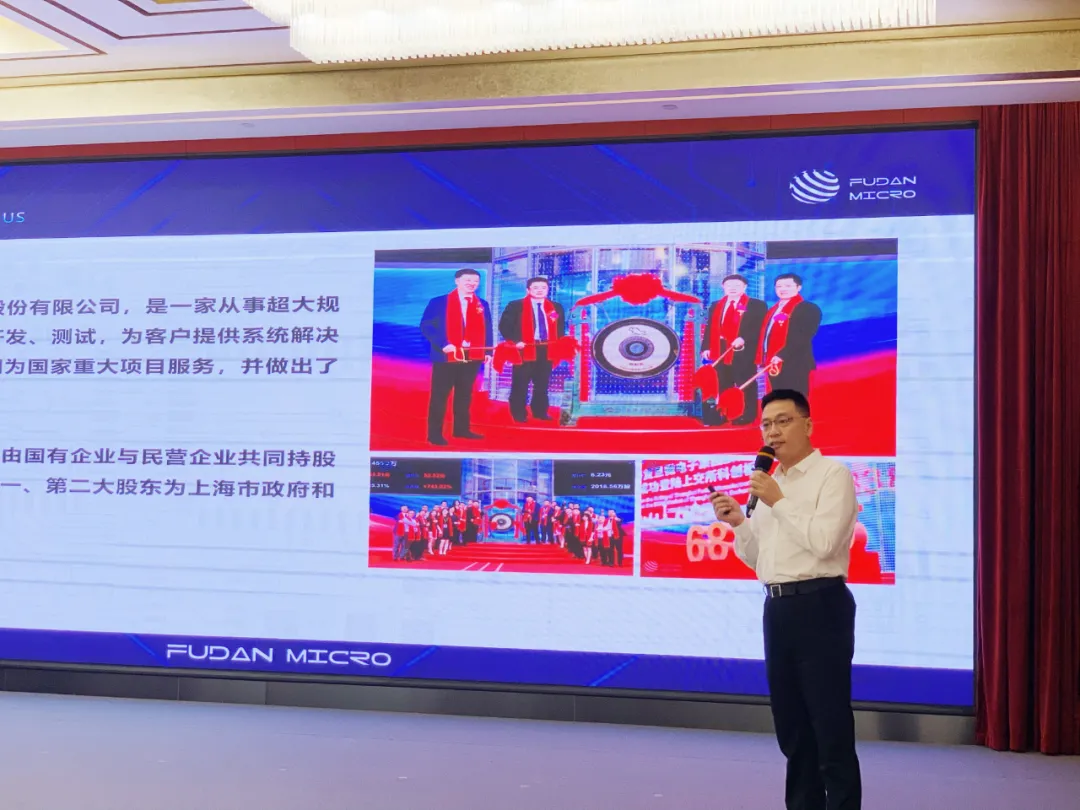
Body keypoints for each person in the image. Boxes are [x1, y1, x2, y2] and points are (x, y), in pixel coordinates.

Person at [709, 389, 861, 810]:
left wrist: (778, 500)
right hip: (778, 609)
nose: (772, 432)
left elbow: (825, 543)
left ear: (807, 425)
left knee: (829, 726)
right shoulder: (771, 483)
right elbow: (762, 560)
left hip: (821, 605)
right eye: (766, 424)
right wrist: (740, 523)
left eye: (783, 421)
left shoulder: (832, 475)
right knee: (792, 729)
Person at [419, 268, 494, 445]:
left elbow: (488, 328)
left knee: (464, 394)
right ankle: (434, 434)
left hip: (472, 355)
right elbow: (426, 326)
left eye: (475, 281)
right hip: (446, 355)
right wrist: (443, 344)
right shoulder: (439, 302)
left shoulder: (482, 304)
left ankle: (461, 429)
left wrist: (488, 352)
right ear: (457, 281)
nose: (472, 284)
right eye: (468, 280)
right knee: (440, 396)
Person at [701, 273, 767, 426]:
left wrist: (744, 338)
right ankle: (724, 413)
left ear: (745, 287)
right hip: (720, 349)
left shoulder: (756, 305)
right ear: (723, 287)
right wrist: (706, 347)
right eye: (729, 285)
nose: (732, 288)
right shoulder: (716, 305)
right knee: (723, 383)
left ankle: (748, 414)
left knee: (745, 383)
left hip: (743, 350)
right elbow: (710, 327)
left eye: (737, 285)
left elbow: (759, 327)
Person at [497, 276, 567, 422]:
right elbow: (504, 326)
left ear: (548, 290)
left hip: (546, 349)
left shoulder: (556, 307)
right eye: (535, 288)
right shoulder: (516, 306)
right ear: (528, 290)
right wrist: (515, 341)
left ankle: (540, 411)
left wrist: (559, 344)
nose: (540, 290)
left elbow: (560, 328)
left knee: (542, 383)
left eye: (543, 288)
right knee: (520, 383)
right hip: (524, 348)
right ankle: (519, 413)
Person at [757, 274, 822, 398]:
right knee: (778, 396)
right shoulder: (773, 310)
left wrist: (781, 355)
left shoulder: (808, 308)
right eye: (779, 286)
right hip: (772, 361)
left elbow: (803, 336)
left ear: (799, 287)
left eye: (788, 286)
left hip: (794, 362)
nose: (783, 289)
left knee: (794, 398)